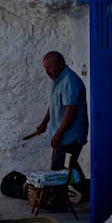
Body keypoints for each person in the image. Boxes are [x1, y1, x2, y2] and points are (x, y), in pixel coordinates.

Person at [33, 51, 89, 200]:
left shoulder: (69, 80)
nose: (47, 71)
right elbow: (54, 104)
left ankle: (58, 200)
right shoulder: (58, 80)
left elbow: (71, 110)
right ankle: (87, 191)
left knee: (59, 169)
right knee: (69, 167)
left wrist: (58, 133)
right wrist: (44, 123)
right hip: (63, 135)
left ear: (61, 64)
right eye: (45, 68)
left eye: (50, 67)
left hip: (69, 137)